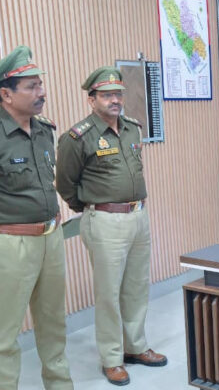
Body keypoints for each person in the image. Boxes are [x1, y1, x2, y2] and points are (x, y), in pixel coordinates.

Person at [55, 67, 166, 386]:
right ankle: (112, 358)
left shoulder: (132, 129)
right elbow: (65, 183)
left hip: (138, 216)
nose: (115, 100)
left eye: (118, 94)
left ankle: (136, 347)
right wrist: (92, 209)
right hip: (105, 221)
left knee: (136, 286)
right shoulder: (78, 137)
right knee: (108, 293)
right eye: (107, 95)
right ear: (92, 100)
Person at [0, 46, 73, 390]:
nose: (41, 92)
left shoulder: (45, 130)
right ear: (6, 94)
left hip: (51, 238)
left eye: (40, 84)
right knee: (4, 334)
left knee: (53, 324)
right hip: (11, 244)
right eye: (31, 86)